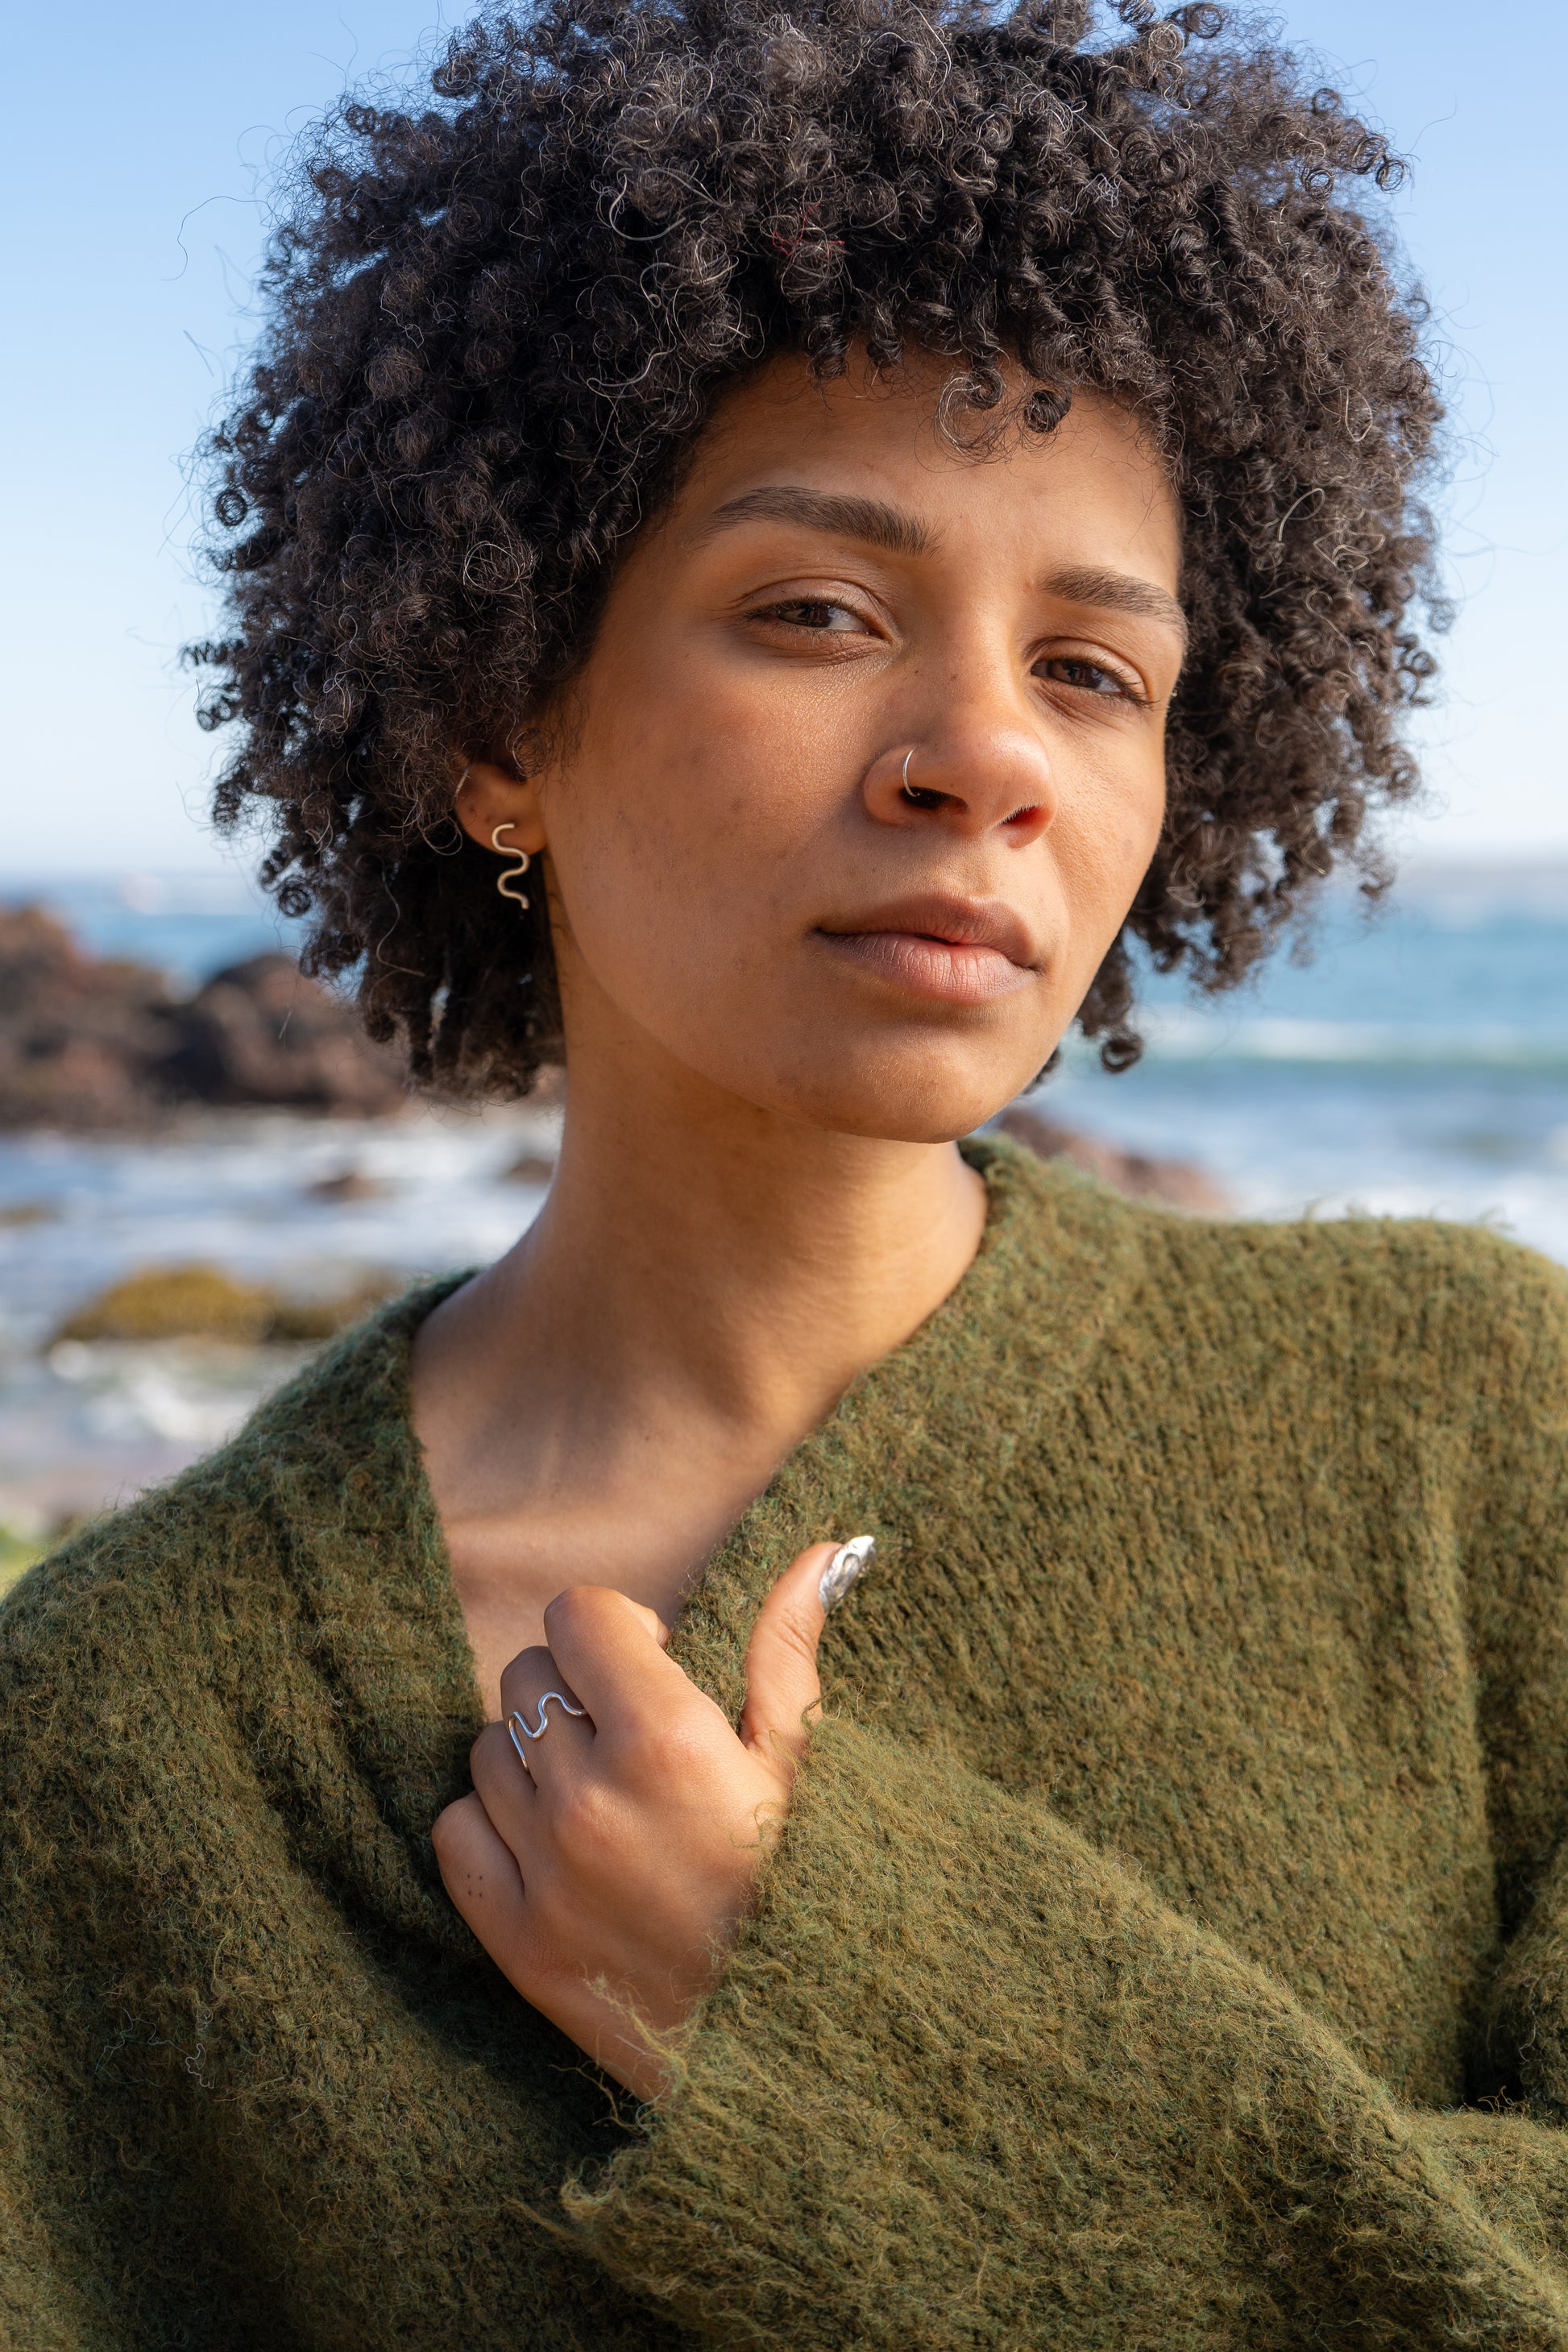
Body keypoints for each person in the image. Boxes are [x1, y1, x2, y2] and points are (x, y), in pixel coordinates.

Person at [7, 1, 1568, 2343]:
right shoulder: (112, 1740)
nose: (980, 759)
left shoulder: (1473, 1426)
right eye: (817, 614)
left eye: (1092, 671)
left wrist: (828, 2020)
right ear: (492, 717)